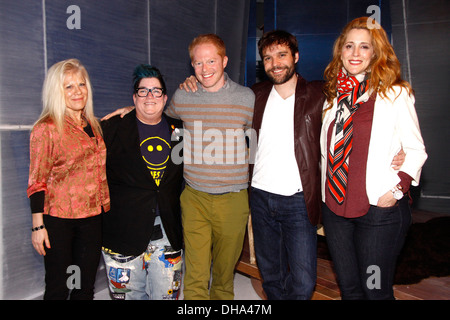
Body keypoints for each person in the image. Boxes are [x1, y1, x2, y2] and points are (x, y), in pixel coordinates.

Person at [320, 17, 427, 300]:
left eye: (364, 47)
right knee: (350, 289)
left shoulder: (395, 93)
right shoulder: (334, 96)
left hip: (378, 212)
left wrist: (395, 190)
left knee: (374, 288)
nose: (355, 53)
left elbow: (416, 149)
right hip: (335, 211)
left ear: (375, 53)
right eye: (349, 46)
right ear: (340, 51)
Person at [247, 30, 325, 300]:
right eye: (267, 58)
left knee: (303, 282)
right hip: (259, 197)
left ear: (296, 56)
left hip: (298, 201)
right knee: (271, 277)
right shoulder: (254, 95)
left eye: (281, 55)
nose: (275, 63)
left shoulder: (318, 94)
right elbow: (218, 110)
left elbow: (357, 111)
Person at [27, 58, 110, 300]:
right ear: (57, 91)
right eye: (69, 86)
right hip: (59, 220)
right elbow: (37, 180)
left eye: (81, 84)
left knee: (85, 288)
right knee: (58, 288)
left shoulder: (92, 125)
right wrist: (38, 226)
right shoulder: (47, 128)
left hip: (93, 217)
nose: (77, 91)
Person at [100, 64, 184, 300]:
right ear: (134, 97)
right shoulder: (112, 127)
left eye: (156, 91)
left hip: (167, 230)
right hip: (122, 231)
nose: (150, 96)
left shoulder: (180, 132)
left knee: (167, 297)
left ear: (165, 98)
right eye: (143, 91)